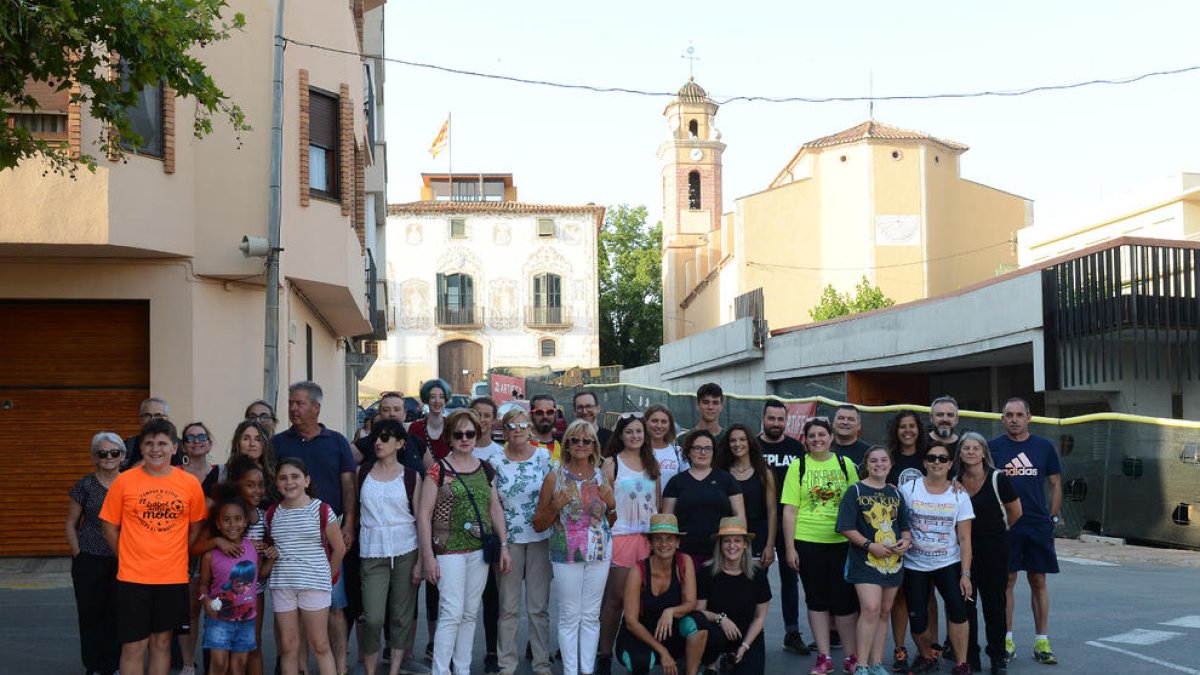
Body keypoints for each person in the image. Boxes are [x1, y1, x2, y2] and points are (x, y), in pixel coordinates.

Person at [100, 417, 208, 675]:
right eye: (149, 443)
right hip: (133, 577)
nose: (155, 449)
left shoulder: (189, 484)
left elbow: (196, 526)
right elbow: (109, 527)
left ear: (174, 447)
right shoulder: (124, 482)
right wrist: (125, 555)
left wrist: (180, 554)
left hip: (172, 577)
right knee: (134, 645)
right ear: (141, 448)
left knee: (161, 643)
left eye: (162, 443)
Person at [272, 381, 358, 675]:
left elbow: (349, 484)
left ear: (316, 407)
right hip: (293, 541)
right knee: (293, 622)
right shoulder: (279, 443)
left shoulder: (336, 441)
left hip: (328, 533)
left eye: (300, 403)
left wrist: (349, 521)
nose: (293, 408)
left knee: (334, 607)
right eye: (291, 403)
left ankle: (341, 667)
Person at [418, 410, 513, 675]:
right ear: (449, 437)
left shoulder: (485, 468)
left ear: (476, 435)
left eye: (469, 433)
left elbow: (494, 508)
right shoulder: (438, 469)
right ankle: (441, 671)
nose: (464, 438)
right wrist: (427, 556)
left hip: (479, 551)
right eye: (458, 434)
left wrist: (504, 545)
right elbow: (423, 514)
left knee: (470, 613)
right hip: (448, 550)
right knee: (451, 612)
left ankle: (462, 669)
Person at [533, 420, 614, 675]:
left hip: (599, 552)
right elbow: (538, 523)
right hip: (565, 552)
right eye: (575, 440)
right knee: (569, 616)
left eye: (586, 441)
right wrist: (556, 505)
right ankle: (570, 671)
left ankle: (586, 670)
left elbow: (610, 521)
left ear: (594, 446)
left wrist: (612, 505)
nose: (580, 445)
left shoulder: (603, 475)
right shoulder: (554, 476)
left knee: (590, 616)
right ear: (567, 443)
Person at [781, 418, 860, 675]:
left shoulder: (844, 464)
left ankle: (851, 656)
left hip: (841, 542)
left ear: (831, 438)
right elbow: (790, 510)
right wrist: (790, 548)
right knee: (816, 600)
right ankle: (824, 657)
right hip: (808, 541)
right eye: (812, 435)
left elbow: (858, 501)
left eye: (822, 435)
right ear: (806, 440)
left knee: (845, 602)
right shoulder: (798, 466)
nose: (817, 439)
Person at [988, 398, 1062, 666]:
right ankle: (1006, 641)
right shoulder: (992, 448)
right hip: (1006, 525)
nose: (1014, 419)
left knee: (1038, 580)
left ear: (1029, 417)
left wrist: (1051, 517)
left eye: (1020, 414)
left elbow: (1055, 484)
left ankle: (1042, 641)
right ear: (1002, 418)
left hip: (1036, 525)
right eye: (1009, 414)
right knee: (1006, 581)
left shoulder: (1044, 447)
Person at [267, 457, 348, 675]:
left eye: (295, 476)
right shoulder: (273, 513)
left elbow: (339, 548)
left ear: (306, 480)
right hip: (282, 585)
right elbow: (269, 546)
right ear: (276, 483)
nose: (289, 482)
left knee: (320, 644)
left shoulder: (321, 509)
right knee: (288, 646)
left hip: (315, 585)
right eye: (283, 478)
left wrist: (326, 578)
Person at [898, 445, 974, 675]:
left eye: (943, 458)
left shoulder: (959, 494)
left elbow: (965, 537)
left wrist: (966, 574)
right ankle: (927, 655)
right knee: (918, 620)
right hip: (914, 564)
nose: (937, 462)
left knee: (958, 612)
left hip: (947, 562)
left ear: (951, 464)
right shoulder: (908, 488)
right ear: (924, 462)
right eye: (932, 458)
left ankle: (961, 663)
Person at [356, 419, 424, 675]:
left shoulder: (410, 476)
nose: (378, 442)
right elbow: (353, 511)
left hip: (406, 549)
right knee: (372, 617)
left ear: (400, 443)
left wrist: (422, 559)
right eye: (376, 437)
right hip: (371, 550)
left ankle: (394, 670)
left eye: (385, 438)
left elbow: (419, 518)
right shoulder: (362, 472)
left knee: (401, 616)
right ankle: (371, 671)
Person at [836, 446, 912, 675]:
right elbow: (845, 528)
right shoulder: (855, 491)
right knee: (870, 608)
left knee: (884, 612)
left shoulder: (896, 494)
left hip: (893, 563)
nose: (879, 464)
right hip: (865, 560)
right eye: (874, 461)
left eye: (884, 460)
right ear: (866, 464)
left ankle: (877, 663)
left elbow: (905, 528)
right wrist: (871, 546)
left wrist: (905, 542)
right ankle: (861, 664)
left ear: (890, 464)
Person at [597, 414, 661, 675]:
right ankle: (603, 654)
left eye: (639, 432)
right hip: (621, 538)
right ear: (621, 435)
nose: (635, 436)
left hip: (647, 539)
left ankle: (639, 650)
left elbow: (655, 503)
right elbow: (603, 504)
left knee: (643, 600)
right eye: (630, 432)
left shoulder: (651, 463)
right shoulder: (612, 463)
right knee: (615, 600)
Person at [491, 408, 553, 675]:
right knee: (508, 607)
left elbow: (553, 494)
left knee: (538, 607)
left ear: (530, 429)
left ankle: (541, 663)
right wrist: (502, 543)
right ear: (504, 431)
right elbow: (492, 505)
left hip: (540, 538)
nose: (517, 429)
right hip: (510, 541)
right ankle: (506, 664)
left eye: (522, 424)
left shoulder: (543, 456)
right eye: (511, 425)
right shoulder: (495, 461)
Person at [953, 433, 1022, 675]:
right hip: (963, 552)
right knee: (966, 606)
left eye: (976, 448)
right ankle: (970, 657)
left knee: (994, 605)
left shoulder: (998, 478)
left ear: (984, 452)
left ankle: (997, 657)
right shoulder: (954, 481)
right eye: (966, 448)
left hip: (994, 550)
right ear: (959, 453)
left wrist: (996, 533)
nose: (971, 452)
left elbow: (1015, 512)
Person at [614, 514, 707, 675]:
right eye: (658, 539)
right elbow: (631, 622)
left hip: (669, 632)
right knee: (640, 661)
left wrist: (670, 611)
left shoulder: (684, 562)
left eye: (669, 538)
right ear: (650, 543)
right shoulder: (638, 570)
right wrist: (663, 651)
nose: (664, 544)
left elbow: (691, 603)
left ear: (677, 542)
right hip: (639, 635)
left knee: (699, 623)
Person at [198, 488, 275, 675]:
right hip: (218, 619)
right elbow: (203, 584)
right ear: (217, 523)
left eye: (238, 519)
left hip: (247, 619)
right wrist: (205, 599)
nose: (233, 524)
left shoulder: (253, 548)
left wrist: (273, 557)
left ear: (246, 521)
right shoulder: (210, 555)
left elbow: (261, 575)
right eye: (226, 520)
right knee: (219, 664)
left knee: (238, 666)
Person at [67, 431, 125, 675]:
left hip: (123, 559)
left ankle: (113, 666)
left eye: (114, 452)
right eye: (102, 453)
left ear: (123, 455)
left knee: (118, 615)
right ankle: (94, 666)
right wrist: (78, 554)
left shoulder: (131, 482)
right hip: (90, 559)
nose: (108, 457)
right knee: (90, 616)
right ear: (94, 456)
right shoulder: (85, 485)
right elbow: (70, 523)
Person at [756, 399, 809, 655]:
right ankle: (754, 631)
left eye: (780, 419)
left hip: (790, 521)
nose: (776, 423)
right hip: (760, 521)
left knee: (790, 577)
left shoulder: (796, 447)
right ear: (763, 419)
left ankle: (792, 632)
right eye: (771, 418)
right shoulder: (753, 446)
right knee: (756, 578)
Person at [883, 410, 929, 672]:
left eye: (912, 426)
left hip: (926, 535)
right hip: (895, 534)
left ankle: (929, 647)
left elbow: (946, 482)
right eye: (903, 426)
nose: (908, 431)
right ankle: (900, 649)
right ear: (896, 430)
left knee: (928, 595)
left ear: (918, 429)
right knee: (899, 595)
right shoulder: (889, 459)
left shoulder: (929, 455)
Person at [695, 518, 771, 675]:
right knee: (706, 631)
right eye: (727, 541)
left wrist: (745, 646)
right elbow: (699, 612)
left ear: (745, 545)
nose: (732, 546)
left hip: (747, 635)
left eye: (737, 540)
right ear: (720, 545)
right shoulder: (706, 572)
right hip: (715, 634)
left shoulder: (758, 575)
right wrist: (721, 619)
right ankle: (711, 665)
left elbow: (759, 617)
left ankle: (733, 658)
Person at [662, 430, 745, 567]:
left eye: (707, 448)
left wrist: (736, 546)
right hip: (685, 553)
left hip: (720, 553)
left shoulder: (727, 480)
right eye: (697, 448)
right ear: (688, 452)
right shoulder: (676, 482)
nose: (703, 452)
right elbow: (667, 520)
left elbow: (739, 515)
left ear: (713, 452)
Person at [178, 421, 222, 675]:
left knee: (217, 609)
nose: (196, 440)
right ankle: (187, 664)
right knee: (191, 610)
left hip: (216, 550)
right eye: (190, 437)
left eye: (201, 436)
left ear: (209, 441)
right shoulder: (173, 473)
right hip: (185, 548)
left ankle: (216, 666)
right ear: (183, 444)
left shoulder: (222, 472)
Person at [470, 396, 504, 673]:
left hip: (490, 533)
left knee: (492, 596)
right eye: (477, 414)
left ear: (494, 420)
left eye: (486, 415)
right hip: (463, 534)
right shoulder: (459, 445)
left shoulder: (499, 454)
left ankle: (492, 650)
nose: (482, 420)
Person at [715, 424, 775, 562]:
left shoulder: (764, 472)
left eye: (742, 439)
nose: (737, 444)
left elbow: (772, 511)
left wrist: (770, 545)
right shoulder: (721, 472)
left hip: (758, 536)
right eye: (733, 440)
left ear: (750, 442)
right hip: (728, 538)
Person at [222, 420, 277, 503]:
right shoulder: (222, 472)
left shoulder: (274, 475)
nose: (252, 444)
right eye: (246, 438)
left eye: (257, 439)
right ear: (237, 443)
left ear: (264, 444)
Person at [409, 379, 452, 465]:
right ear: (426, 399)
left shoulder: (453, 426)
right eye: (432, 397)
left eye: (441, 397)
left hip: (451, 477)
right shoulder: (415, 428)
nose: (437, 401)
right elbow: (412, 458)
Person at [122, 397, 173, 469]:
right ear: (140, 419)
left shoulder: (180, 445)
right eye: (147, 415)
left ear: (167, 419)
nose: (152, 419)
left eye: (158, 415)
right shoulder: (128, 445)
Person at [646, 404, 687, 486]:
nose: (659, 426)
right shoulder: (636, 451)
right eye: (654, 421)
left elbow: (686, 482)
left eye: (664, 422)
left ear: (670, 425)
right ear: (645, 422)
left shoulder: (678, 452)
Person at [682, 382, 725, 447]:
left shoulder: (730, 439)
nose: (710, 407)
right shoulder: (683, 439)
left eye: (715, 403)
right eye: (705, 402)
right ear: (697, 405)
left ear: (721, 407)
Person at [529, 394, 563, 463]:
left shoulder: (562, 448)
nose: (545, 416)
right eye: (539, 412)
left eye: (550, 412)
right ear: (531, 415)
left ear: (556, 415)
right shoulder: (518, 445)